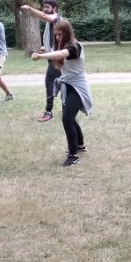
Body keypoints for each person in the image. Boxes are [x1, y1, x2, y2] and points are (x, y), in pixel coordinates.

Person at [31, 19, 93, 166]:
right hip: (68, 86)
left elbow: (61, 54)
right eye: (56, 35)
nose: (58, 37)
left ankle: (73, 156)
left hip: (78, 89)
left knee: (67, 119)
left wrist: (41, 56)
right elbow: (58, 52)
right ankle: (80, 145)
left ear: (67, 33)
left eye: (60, 34)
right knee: (69, 117)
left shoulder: (74, 47)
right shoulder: (62, 45)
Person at [19, 0, 62, 122]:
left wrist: (30, 9)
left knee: (50, 82)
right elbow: (55, 39)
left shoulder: (56, 18)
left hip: (57, 58)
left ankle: (49, 112)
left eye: (47, 7)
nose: (45, 9)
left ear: (54, 8)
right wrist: (46, 47)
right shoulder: (52, 22)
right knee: (63, 83)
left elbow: (44, 16)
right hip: (55, 56)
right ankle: (67, 107)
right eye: (44, 7)